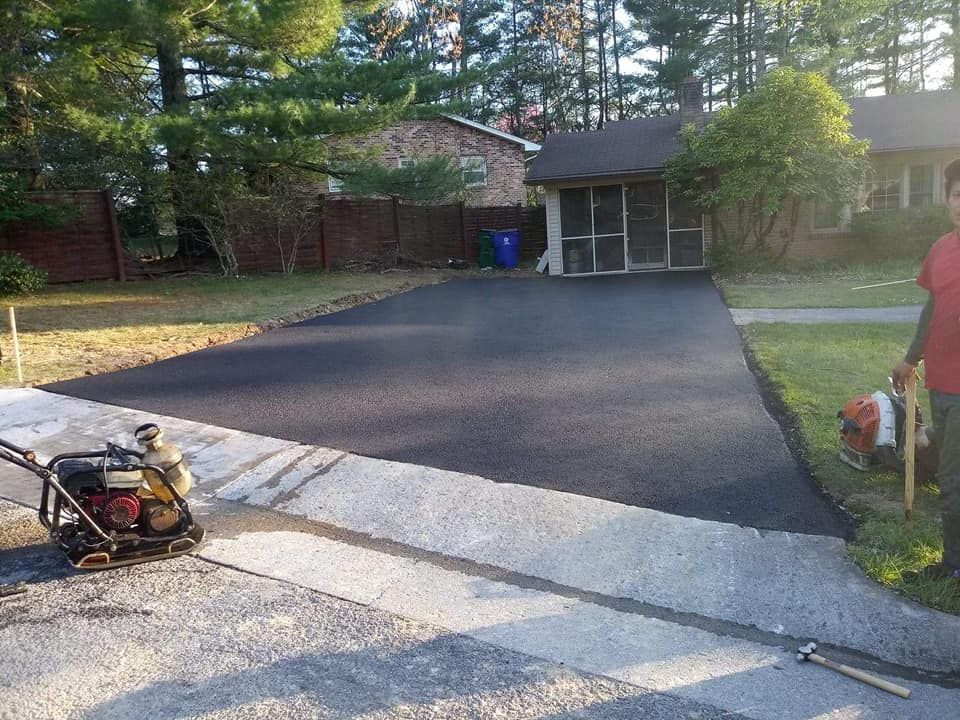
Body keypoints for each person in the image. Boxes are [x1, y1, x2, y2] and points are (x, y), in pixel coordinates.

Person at [892, 159, 960, 581]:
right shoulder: (941, 249)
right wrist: (911, 357)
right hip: (942, 383)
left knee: (953, 481)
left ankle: (953, 567)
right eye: (957, 195)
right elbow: (933, 308)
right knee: (950, 468)